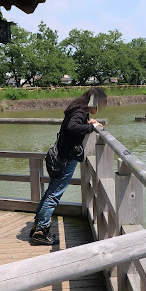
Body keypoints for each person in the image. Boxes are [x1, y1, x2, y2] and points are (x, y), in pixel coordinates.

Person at [30, 87, 107, 245]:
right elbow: (72, 127)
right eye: (99, 104)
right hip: (66, 159)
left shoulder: (78, 109)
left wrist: (88, 123)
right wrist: (92, 127)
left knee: (51, 192)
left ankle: (38, 225)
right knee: (54, 195)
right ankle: (41, 231)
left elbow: (74, 126)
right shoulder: (79, 112)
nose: (99, 108)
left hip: (61, 157)